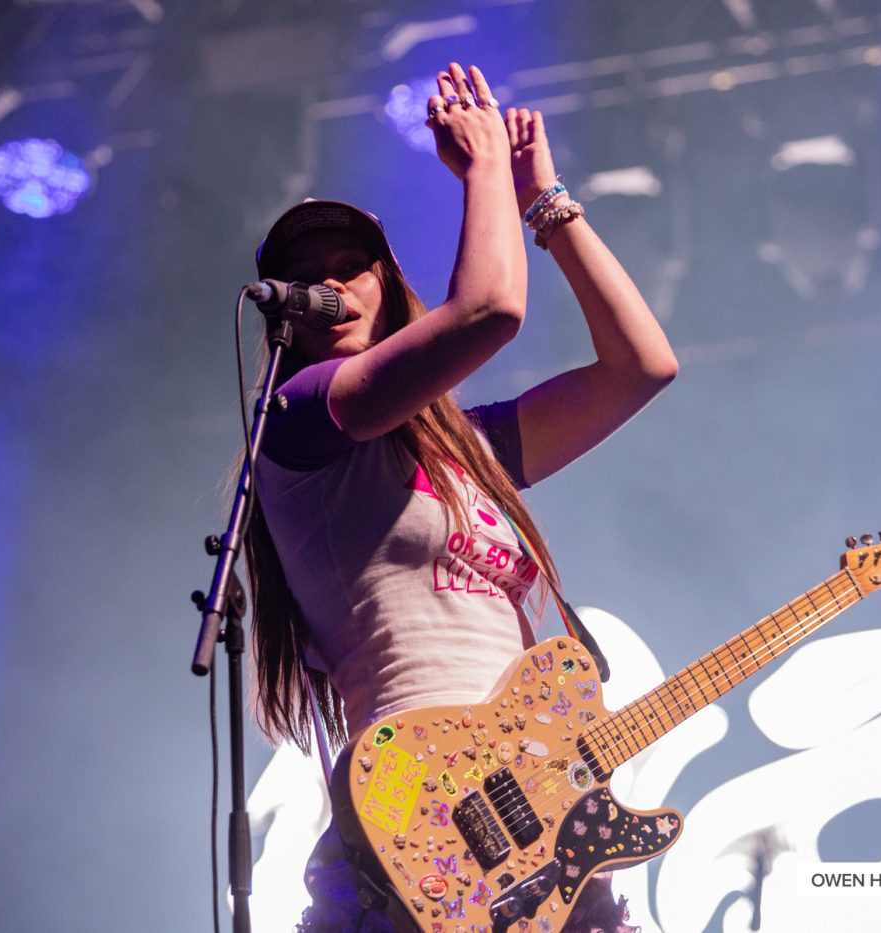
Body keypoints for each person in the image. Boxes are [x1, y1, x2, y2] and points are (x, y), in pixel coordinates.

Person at [244, 62, 678, 932]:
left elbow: (641, 368)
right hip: (418, 817)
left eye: (351, 267)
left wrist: (545, 198)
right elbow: (490, 310)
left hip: (532, 817)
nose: (330, 285)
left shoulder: (468, 448)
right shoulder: (296, 417)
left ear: (387, 286)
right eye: (309, 275)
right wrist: (483, 168)